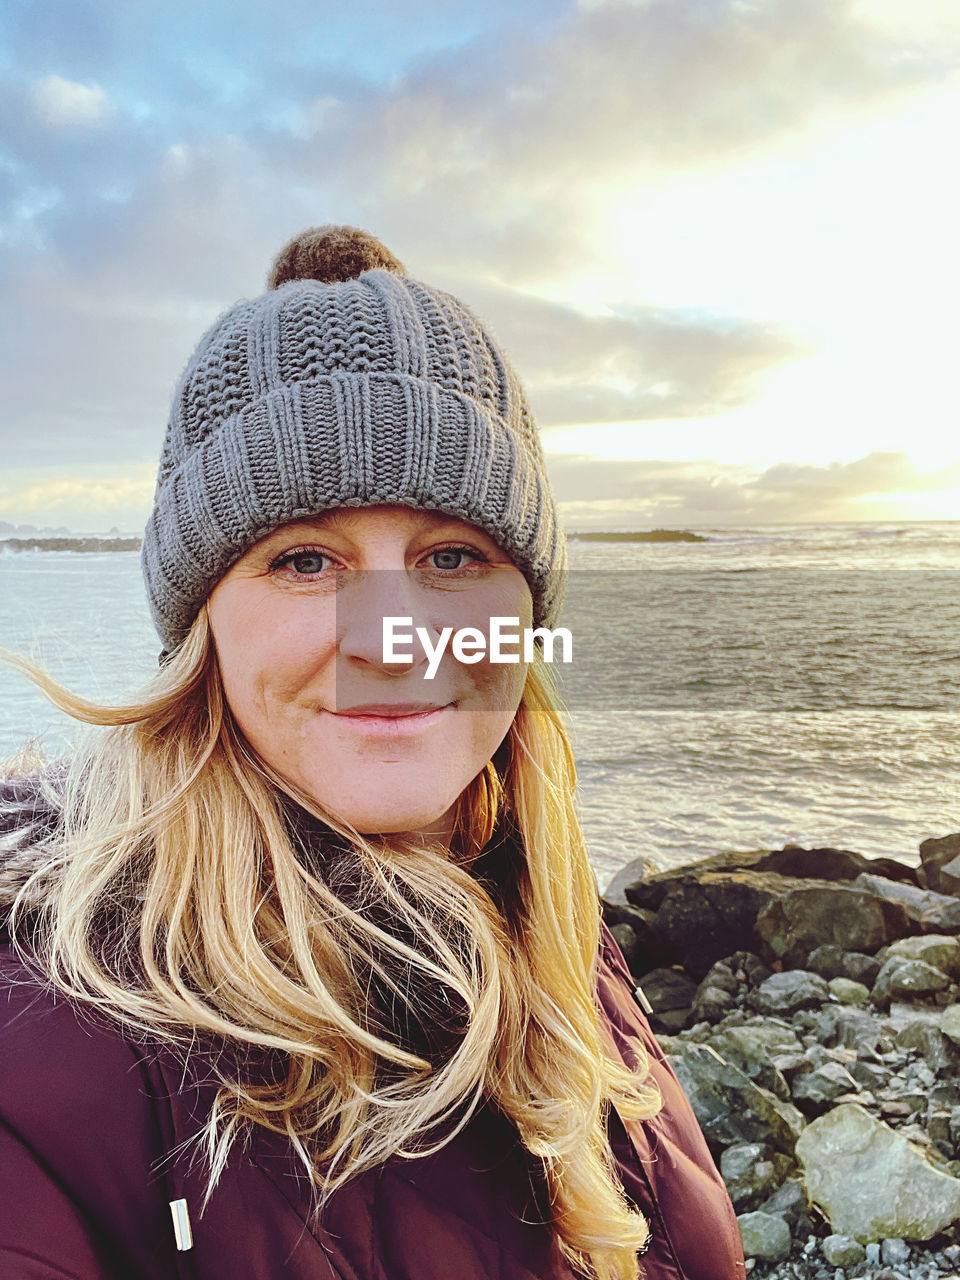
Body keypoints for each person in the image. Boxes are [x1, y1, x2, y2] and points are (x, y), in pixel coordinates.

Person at [0, 225, 747, 1280]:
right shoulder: (54, 1039)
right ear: (201, 625)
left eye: (453, 555)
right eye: (305, 559)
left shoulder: (553, 934)